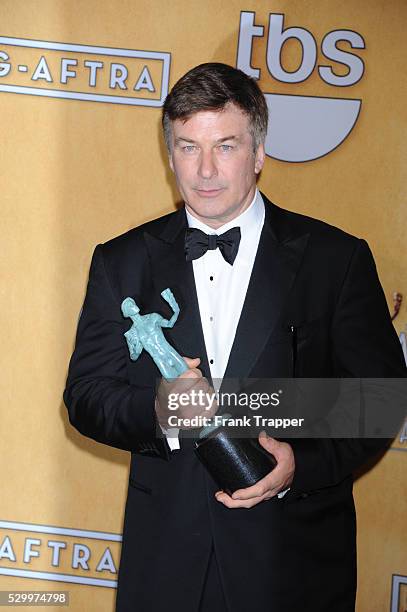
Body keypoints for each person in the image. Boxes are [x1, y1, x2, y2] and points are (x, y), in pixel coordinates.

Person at [63, 63, 406, 612]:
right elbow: (85, 397)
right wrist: (160, 410)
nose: (204, 170)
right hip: (167, 566)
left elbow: (381, 399)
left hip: (294, 566)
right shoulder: (120, 261)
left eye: (225, 146)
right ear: (168, 153)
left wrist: (300, 465)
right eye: (187, 147)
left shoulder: (335, 259)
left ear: (260, 151)